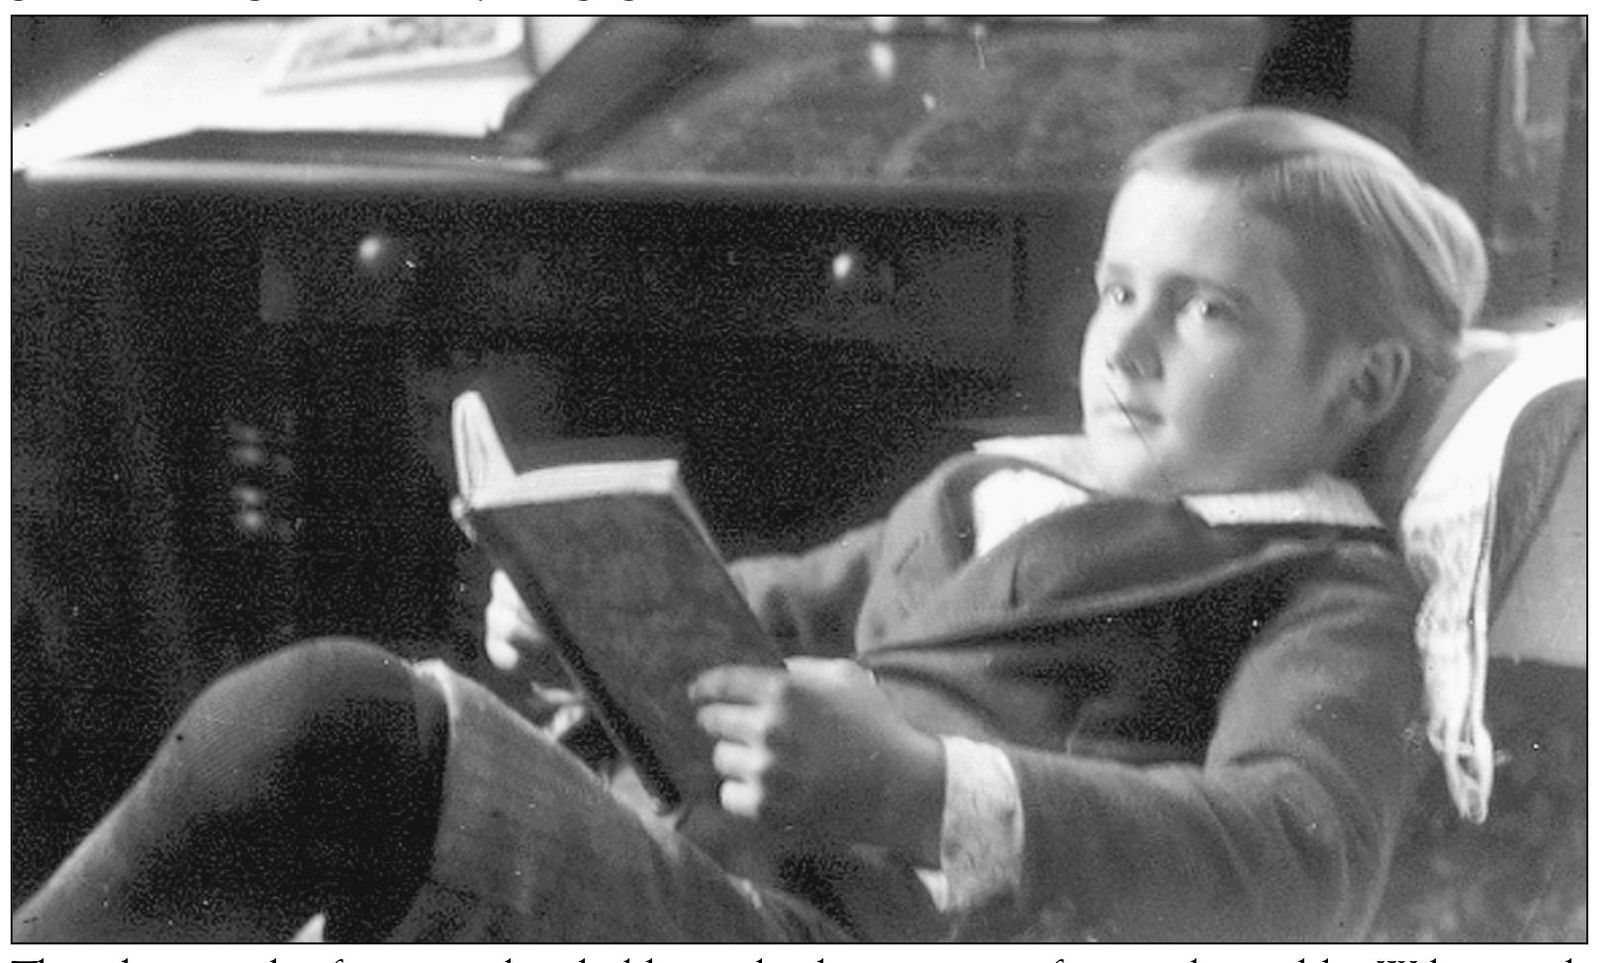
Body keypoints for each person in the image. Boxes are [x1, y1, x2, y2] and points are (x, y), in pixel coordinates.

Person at [13, 106, 1487, 943]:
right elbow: (784, 603)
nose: (1127, 344)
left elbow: (1304, 860)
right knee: (335, 745)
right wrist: (596, 601)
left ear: (1357, 384)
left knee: (327, 725)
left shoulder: (1321, 588)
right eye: (1116, 290)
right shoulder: (1001, 483)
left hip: (850, 918)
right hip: (708, 831)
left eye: (1208, 310)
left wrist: (915, 788)